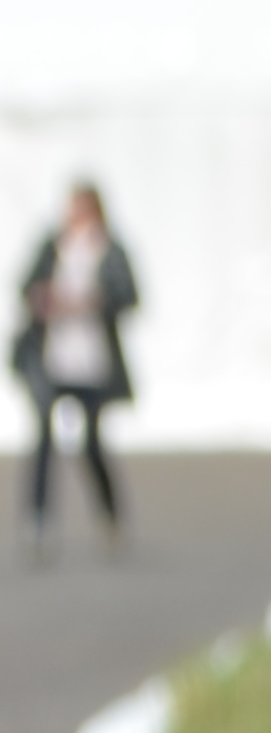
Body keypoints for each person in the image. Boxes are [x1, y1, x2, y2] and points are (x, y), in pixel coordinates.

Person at [14, 179, 137, 559]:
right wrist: (45, 297)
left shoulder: (109, 249)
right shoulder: (54, 245)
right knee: (44, 441)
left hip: (92, 362)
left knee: (90, 444)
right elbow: (26, 286)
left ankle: (109, 515)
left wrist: (91, 302)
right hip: (53, 359)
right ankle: (39, 519)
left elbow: (128, 296)